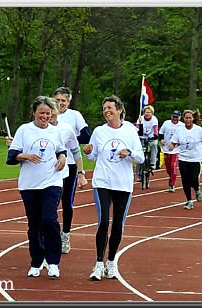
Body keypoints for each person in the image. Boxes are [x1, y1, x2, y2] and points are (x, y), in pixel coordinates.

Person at [6, 96, 67, 279]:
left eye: (48, 113)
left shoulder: (55, 132)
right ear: (34, 113)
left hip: (52, 182)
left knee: (49, 219)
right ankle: (36, 261)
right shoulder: (24, 130)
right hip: (29, 184)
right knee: (34, 224)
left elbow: (60, 150)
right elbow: (12, 156)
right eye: (41, 113)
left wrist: (63, 158)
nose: (45, 116)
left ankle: (53, 261)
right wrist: (26, 156)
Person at [84, 95, 144, 281]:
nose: (106, 111)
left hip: (123, 184)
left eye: (110, 107)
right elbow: (92, 156)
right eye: (104, 108)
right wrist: (88, 151)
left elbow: (141, 157)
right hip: (102, 181)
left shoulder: (130, 131)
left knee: (118, 223)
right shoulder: (99, 131)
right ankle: (98, 263)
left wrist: (130, 152)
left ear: (119, 110)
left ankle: (111, 262)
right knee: (103, 222)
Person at [51, 86, 90, 254]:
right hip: (50, 165)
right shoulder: (48, 114)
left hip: (71, 164)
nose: (60, 104)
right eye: (57, 100)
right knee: (50, 201)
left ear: (69, 101)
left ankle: (65, 234)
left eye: (63, 101)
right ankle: (50, 235)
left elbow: (86, 135)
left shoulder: (74, 116)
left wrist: (69, 138)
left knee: (67, 201)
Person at [168, 110, 202, 210]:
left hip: (196, 159)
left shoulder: (198, 130)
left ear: (193, 119)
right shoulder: (179, 130)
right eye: (186, 118)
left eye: (190, 118)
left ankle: (197, 189)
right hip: (183, 158)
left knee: (194, 179)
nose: (188, 120)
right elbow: (174, 142)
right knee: (185, 180)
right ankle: (189, 201)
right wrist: (172, 146)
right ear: (183, 118)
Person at [159, 110, 183, 192]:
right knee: (168, 168)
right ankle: (171, 177)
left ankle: (172, 184)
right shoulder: (166, 123)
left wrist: (177, 144)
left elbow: (183, 137)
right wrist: (161, 139)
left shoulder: (182, 126)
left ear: (179, 118)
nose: (175, 118)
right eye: (174, 116)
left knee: (173, 166)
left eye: (177, 117)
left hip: (176, 150)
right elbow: (161, 133)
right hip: (166, 149)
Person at [136, 105, 159, 181]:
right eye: (146, 112)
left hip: (151, 137)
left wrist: (154, 136)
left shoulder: (154, 119)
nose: (147, 114)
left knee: (154, 145)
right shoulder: (141, 119)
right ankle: (139, 175)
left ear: (152, 113)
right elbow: (138, 130)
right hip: (142, 136)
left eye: (149, 112)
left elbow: (155, 131)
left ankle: (153, 162)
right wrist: (139, 126)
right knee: (140, 153)